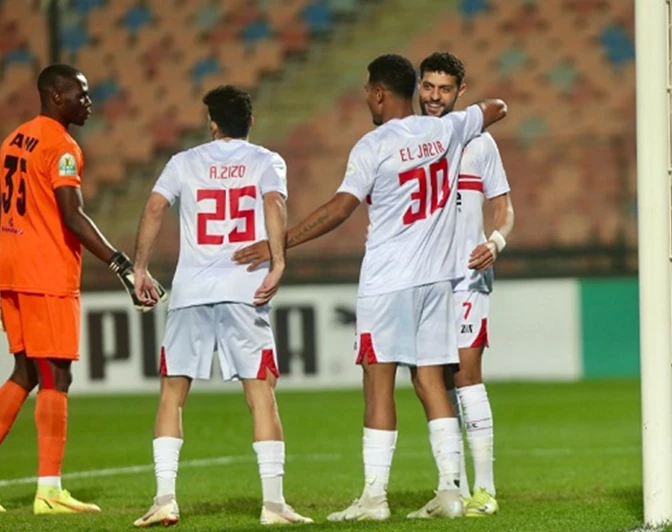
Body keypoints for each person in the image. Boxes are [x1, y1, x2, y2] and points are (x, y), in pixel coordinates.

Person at [233, 53, 507, 521]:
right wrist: (467, 112)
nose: (366, 98)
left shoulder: (373, 145)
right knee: (431, 381)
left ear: (379, 93)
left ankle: (375, 498)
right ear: (414, 89)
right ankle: (450, 492)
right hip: (439, 282)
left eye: (366, 91)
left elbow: (341, 208)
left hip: (388, 281)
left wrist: (282, 241)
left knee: (378, 383)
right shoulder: (448, 131)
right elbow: (497, 106)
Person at [130, 85, 311, 527]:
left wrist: (139, 269)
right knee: (260, 394)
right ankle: (273, 505)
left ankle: (165, 499)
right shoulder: (267, 160)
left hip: (191, 291)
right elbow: (274, 201)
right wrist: (278, 259)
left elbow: (155, 209)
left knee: (173, 395)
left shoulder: (184, 162)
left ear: (212, 123)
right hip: (243, 291)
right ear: (249, 121)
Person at [0, 64, 166, 514]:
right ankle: (49, 491)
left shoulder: (14, 139)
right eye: (81, 94)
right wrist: (120, 263)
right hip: (44, 274)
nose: (88, 103)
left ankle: (49, 488)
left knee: (25, 373)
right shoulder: (61, 146)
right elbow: (71, 215)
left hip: (11, 271)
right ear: (56, 96)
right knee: (56, 374)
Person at [418, 51, 515, 516]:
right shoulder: (405, 140)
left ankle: (486, 490)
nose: (434, 97)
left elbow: (504, 207)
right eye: (428, 86)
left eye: (444, 88)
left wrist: (495, 241)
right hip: (418, 279)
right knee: (428, 380)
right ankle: (448, 488)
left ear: (460, 91)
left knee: (465, 377)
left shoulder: (479, 143)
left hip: (465, 277)